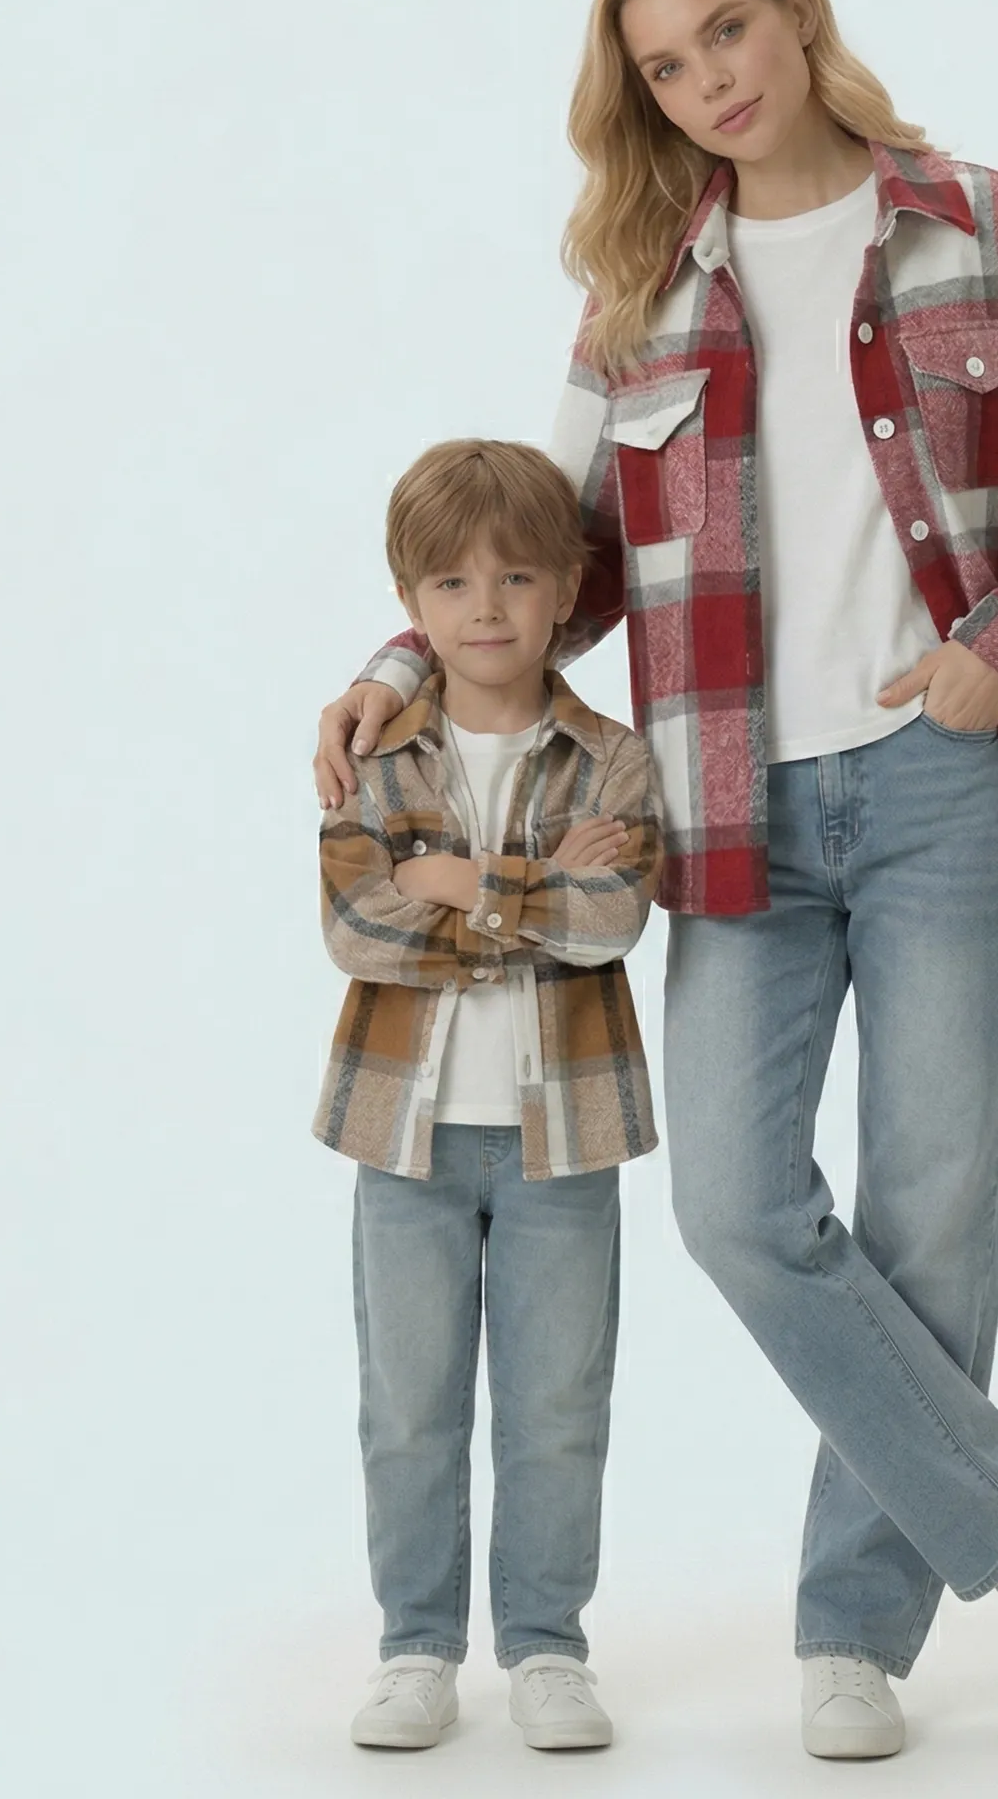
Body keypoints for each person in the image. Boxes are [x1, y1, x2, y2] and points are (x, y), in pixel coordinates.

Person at [315, 0, 998, 1759]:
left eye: (725, 30)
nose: (709, 81)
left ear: (794, 8)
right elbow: (548, 554)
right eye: (665, 67)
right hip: (728, 807)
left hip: (947, 782)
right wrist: (398, 663)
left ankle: (853, 1635)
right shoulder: (637, 293)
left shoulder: (982, 222)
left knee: (931, 1215)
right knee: (736, 1210)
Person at [314, 439, 663, 1754]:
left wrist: (453, 881)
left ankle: (548, 1647)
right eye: (453, 583)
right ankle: (415, 1647)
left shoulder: (612, 760)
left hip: (564, 1136)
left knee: (558, 1407)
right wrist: (532, 888)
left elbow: (612, 918)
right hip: (401, 1138)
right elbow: (359, 929)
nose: (488, 608)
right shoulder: (377, 758)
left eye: (518, 577)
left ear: (568, 589)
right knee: (407, 1409)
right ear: (411, 601)